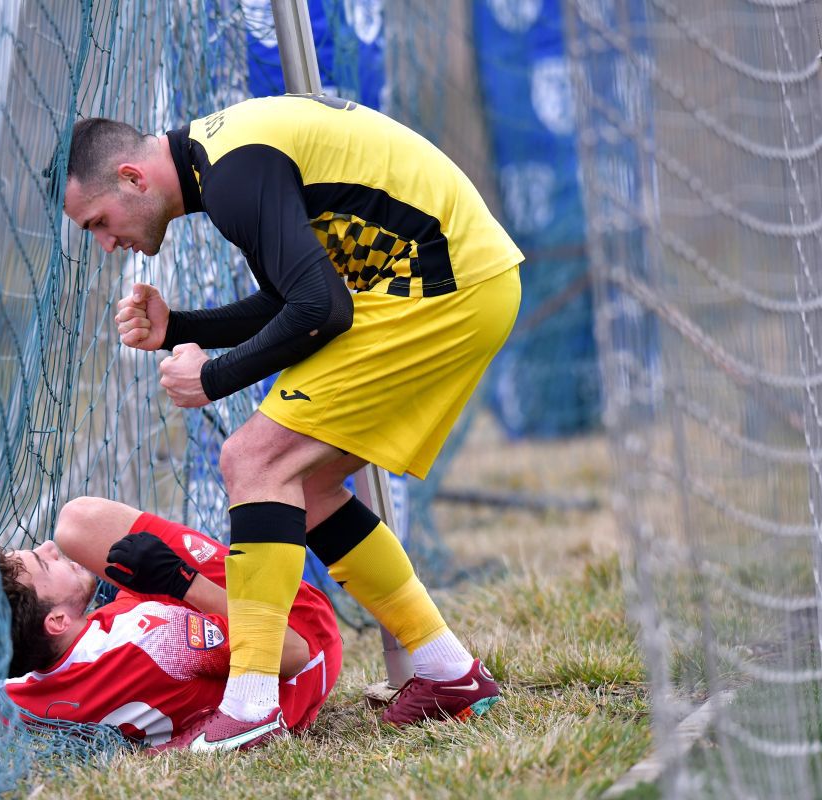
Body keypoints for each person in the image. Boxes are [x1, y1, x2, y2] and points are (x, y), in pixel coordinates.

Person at [61, 94, 521, 749]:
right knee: (304, 487)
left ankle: (251, 707)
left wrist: (212, 378)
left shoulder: (232, 175)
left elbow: (320, 308)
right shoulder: (223, 161)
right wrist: (180, 329)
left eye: (98, 223)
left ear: (132, 177)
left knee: (252, 461)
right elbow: (294, 295)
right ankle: (450, 674)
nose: (108, 244)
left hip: (444, 286)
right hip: (453, 280)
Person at [0, 496, 341, 751]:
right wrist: (181, 581)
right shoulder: (161, 638)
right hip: (307, 649)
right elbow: (292, 652)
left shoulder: (16, 698)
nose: (48, 546)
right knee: (78, 522)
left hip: (147, 671)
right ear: (58, 620)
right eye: (44, 563)